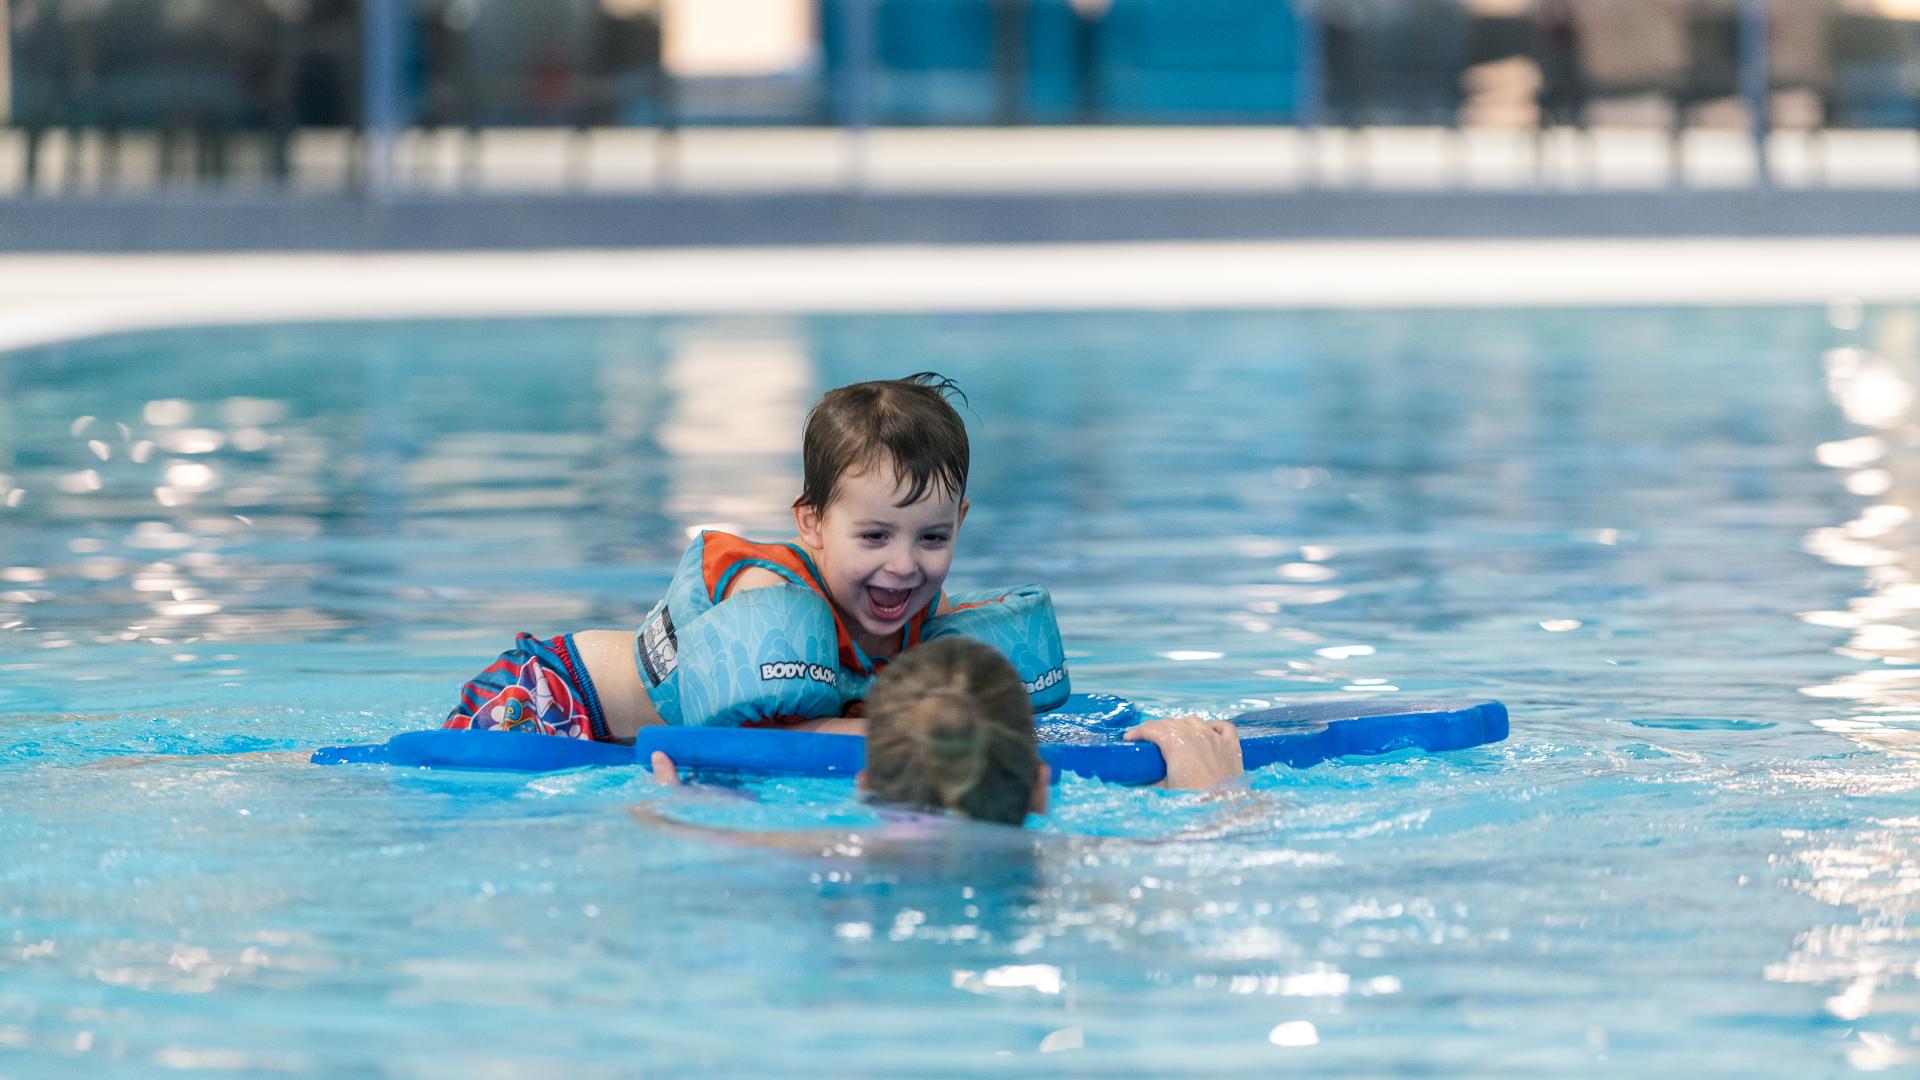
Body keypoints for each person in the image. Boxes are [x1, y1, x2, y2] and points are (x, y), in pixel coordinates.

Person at [443, 373, 1071, 744]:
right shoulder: (762, 593)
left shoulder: (923, 617)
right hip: (548, 702)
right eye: (875, 537)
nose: (904, 566)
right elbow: (751, 743)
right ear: (812, 523)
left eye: (932, 538)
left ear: (959, 524)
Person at [642, 637, 1247, 843]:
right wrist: (1217, 789)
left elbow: (699, 836)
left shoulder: (817, 853)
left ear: (866, 786)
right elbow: (1211, 852)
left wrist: (678, 803)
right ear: (1040, 787)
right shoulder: (1063, 863)